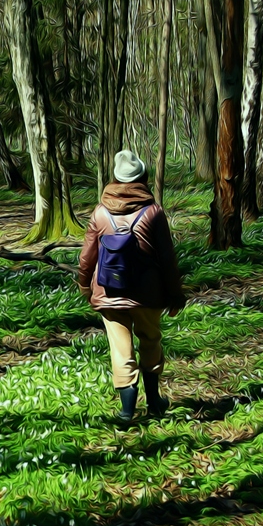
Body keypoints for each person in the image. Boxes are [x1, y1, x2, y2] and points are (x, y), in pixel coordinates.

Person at [78, 150, 186, 422]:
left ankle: (127, 411)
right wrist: (175, 295)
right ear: (142, 178)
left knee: (120, 348)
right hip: (147, 294)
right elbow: (167, 258)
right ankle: (154, 402)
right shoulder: (153, 212)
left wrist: (84, 285)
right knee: (150, 340)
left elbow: (87, 256)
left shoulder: (100, 213)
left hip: (108, 292)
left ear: (115, 178)